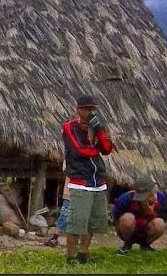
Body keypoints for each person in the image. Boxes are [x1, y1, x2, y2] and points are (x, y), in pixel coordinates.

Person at [63, 94, 114, 265]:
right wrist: (95, 147)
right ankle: (70, 257)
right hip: (80, 180)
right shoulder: (70, 127)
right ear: (78, 109)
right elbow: (80, 150)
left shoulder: (97, 127)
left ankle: (83, 254)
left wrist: (99, 131)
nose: (90, 112)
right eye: (86, 109)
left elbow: (107, 149)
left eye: (92, 109)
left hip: (97, 180)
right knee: (77, 221)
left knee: (92, 221)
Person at [113, 177, 167, 255]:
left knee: (160, 223)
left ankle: (146, 245)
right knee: (128, 218)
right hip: (131, 227)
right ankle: (127, 244)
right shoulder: (126, 198)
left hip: (148, 227)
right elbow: (117, 217)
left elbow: (163, 216)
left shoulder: (161, 198)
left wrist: (151, 213)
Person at [44, 161, 70, 247]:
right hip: (70, 192)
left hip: (79, 192)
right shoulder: (69, 158)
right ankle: (55, 237)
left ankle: (74, 238)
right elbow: (65, 169)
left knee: (75, 215)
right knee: (64, 215)